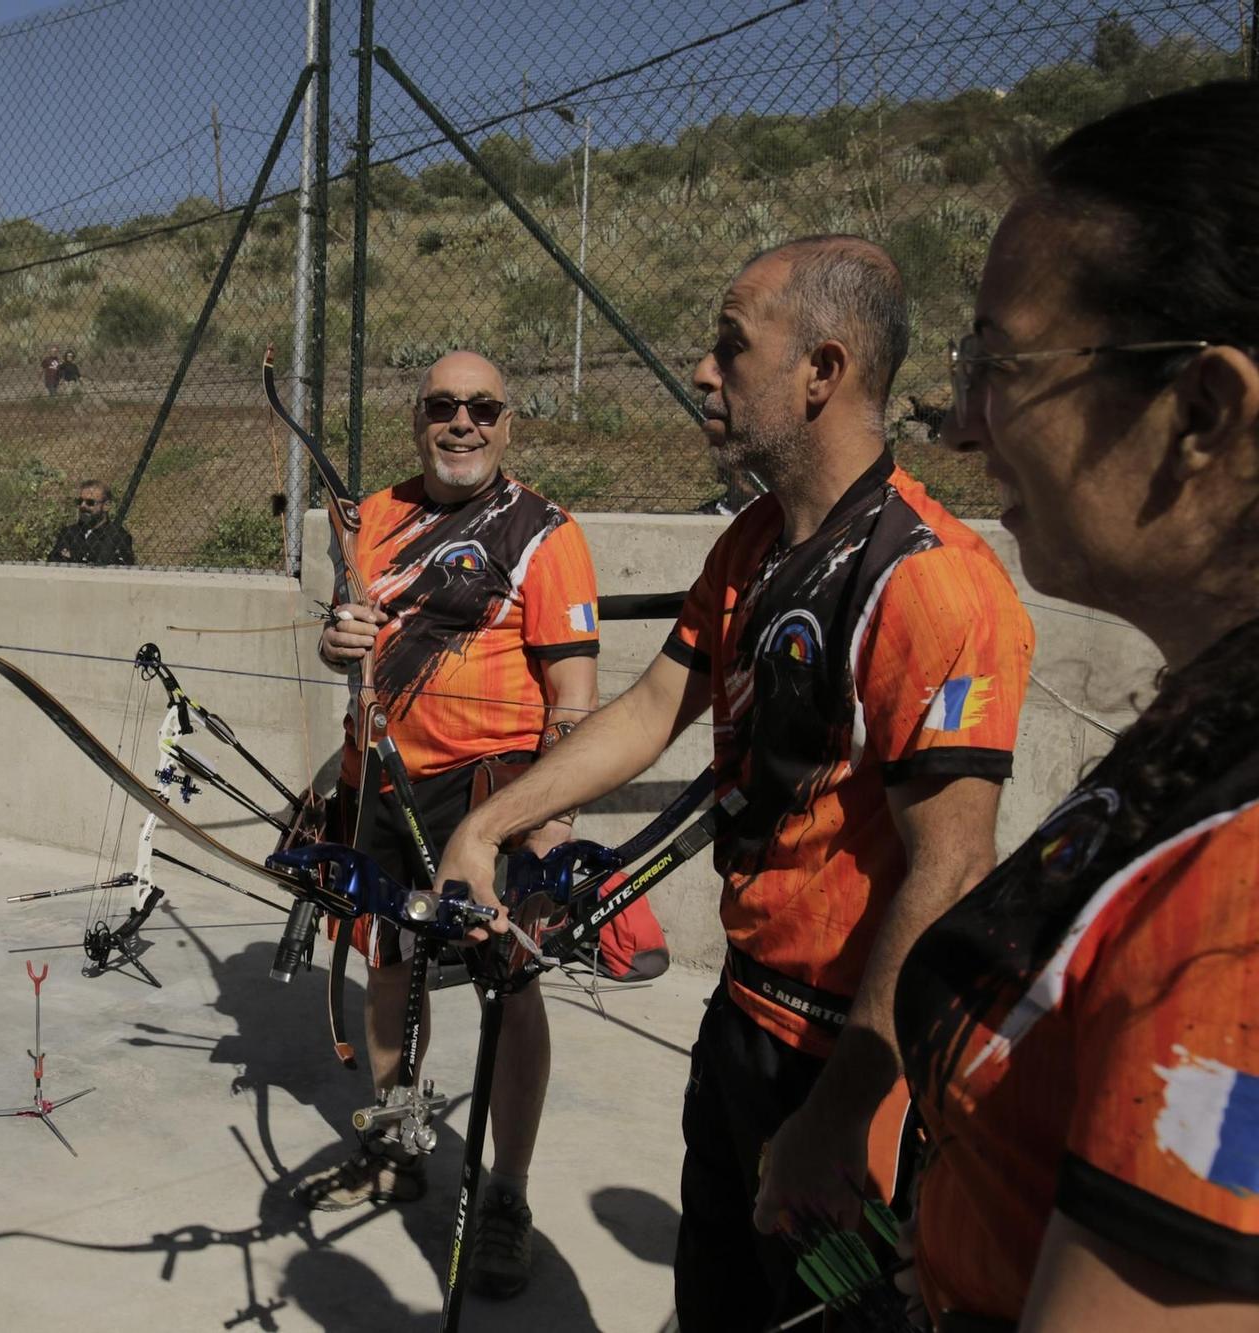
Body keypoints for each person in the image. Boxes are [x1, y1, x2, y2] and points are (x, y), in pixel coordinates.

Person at [435, 238, 1035, 1330]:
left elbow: (951, 864)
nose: (702, 372)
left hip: (850, 1053)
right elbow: (650, 709)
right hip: (741, 1019)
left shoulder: (932, 582)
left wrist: (844, 1101)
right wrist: (490, 826)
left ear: (822, 370)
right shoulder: (753, 545)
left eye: (729, 345)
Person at [894, 82, 1259, 1330]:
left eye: (998, 365)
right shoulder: (1209, 722)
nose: (961, 423)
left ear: (1203, 413)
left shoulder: (1243, 909)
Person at [294, 351, 604, 1300]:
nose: (461, 422)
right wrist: (335, 638)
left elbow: (576, 704)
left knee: (508, 988)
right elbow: (346, 630)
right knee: (388, 959)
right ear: (417, 417)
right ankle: (395, 1135)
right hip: (386, 779)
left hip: (494, 796)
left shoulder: (548, 534)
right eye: (442, 406)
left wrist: (550, 817)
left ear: (509, 422)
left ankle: (504, 1195)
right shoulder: (375, 519)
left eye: (482, 407)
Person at [46, 480, 136, 566]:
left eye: (90, 502)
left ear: (106, 506)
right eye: (80, 501)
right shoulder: (69, 532)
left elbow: (122, 566)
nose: (82, 506)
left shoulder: (119, 536)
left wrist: (73, 556)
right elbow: (54, 561)